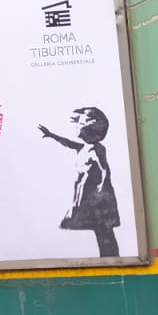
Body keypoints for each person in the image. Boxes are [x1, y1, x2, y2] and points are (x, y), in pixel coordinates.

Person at [38, 107, 120, 258]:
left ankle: (111, 259)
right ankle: (108, 258)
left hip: (98, 197)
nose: (77, 126)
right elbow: (68, 143)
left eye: (82, 121)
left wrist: (100, 187)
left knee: (104, 232)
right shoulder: (83, 147)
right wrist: (50, 135)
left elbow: (104, 170)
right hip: (87, 193)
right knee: (100, 230)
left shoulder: (97, 150)